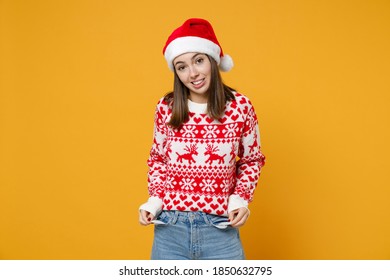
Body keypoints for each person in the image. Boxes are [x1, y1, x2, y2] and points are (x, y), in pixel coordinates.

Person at [138, 18, 265, 260]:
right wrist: (154, 200)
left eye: (198, 60)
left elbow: (252, 160)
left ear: (213, 60)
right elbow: (157, 159)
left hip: (220, 228)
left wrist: (240, 199)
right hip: (170, 228)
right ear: (175, 72)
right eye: (182, 66)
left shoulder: (240, 107)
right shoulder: (167, 107)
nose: (193, 73)